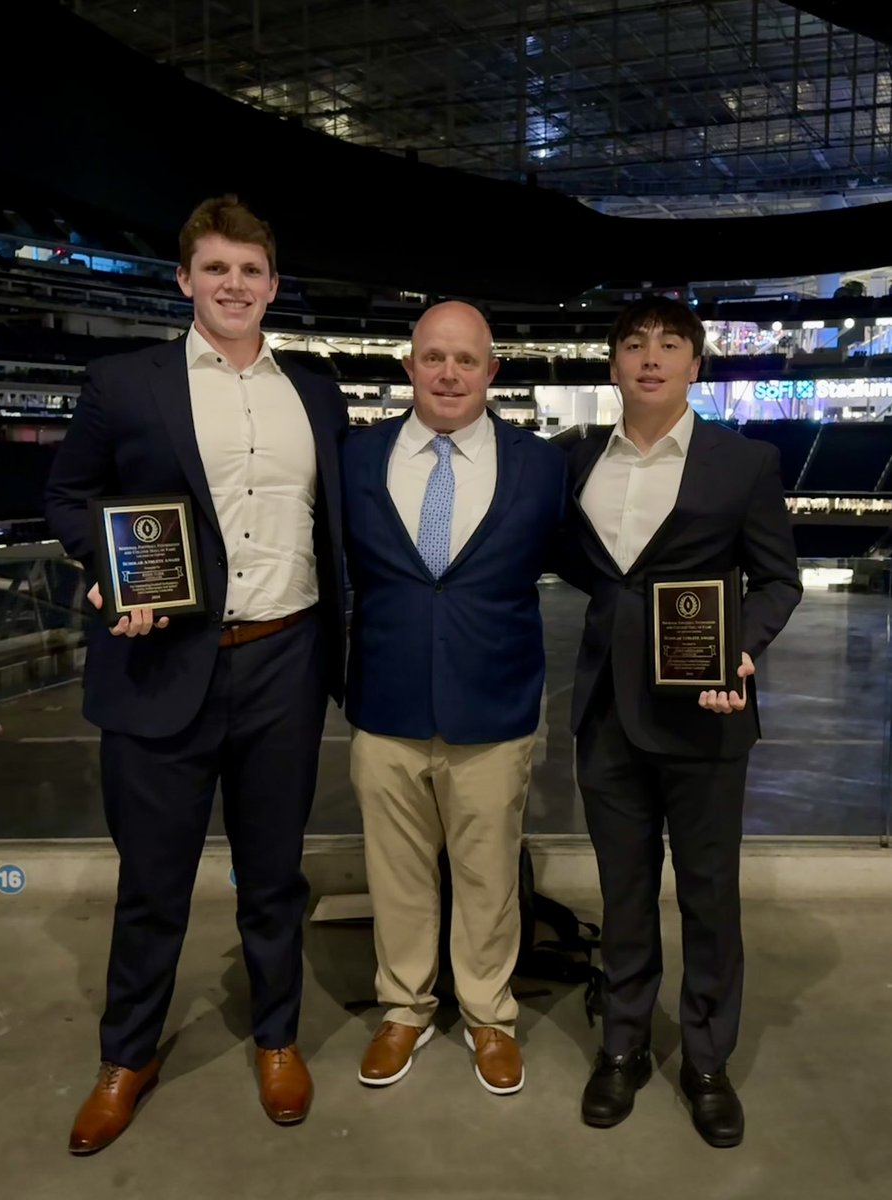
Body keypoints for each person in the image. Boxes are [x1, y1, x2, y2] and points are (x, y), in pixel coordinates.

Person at [44, 195, 348, 1152]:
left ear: (272, 285)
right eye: (215, 269)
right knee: (153, 882)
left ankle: (277, 1036)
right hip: (161, 662)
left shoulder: (316, 392)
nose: (234, 285)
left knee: (273, 875)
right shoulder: (124, 384)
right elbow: (66, 495)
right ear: (185, 280)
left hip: (284, 662)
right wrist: (104, 572)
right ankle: (127, 1054)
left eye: (250, 271)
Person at [558, 296, 801, 1147]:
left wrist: (740, 646)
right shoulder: (575, 462)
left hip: (706, 716)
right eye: (634, 344)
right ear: (614, 364)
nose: (651, 357)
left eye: (670, 345)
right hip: (606, 717)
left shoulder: (744, 463)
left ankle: (705, 1059)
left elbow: (778, 581)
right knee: (623, 897)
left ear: (696, 364)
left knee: (708, 897)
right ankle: (623, 1047)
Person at [342, 301, 565, 1095]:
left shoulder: (541, 466)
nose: (448, 373)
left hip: (494, 706)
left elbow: (595, 567)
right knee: (395, 873)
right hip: (386, 702)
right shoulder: (356, 459)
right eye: (433, 357)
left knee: (487, 876)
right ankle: (403, 1009)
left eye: (465, 360)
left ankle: (487, 1016)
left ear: (491, 372)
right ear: (408, 367)